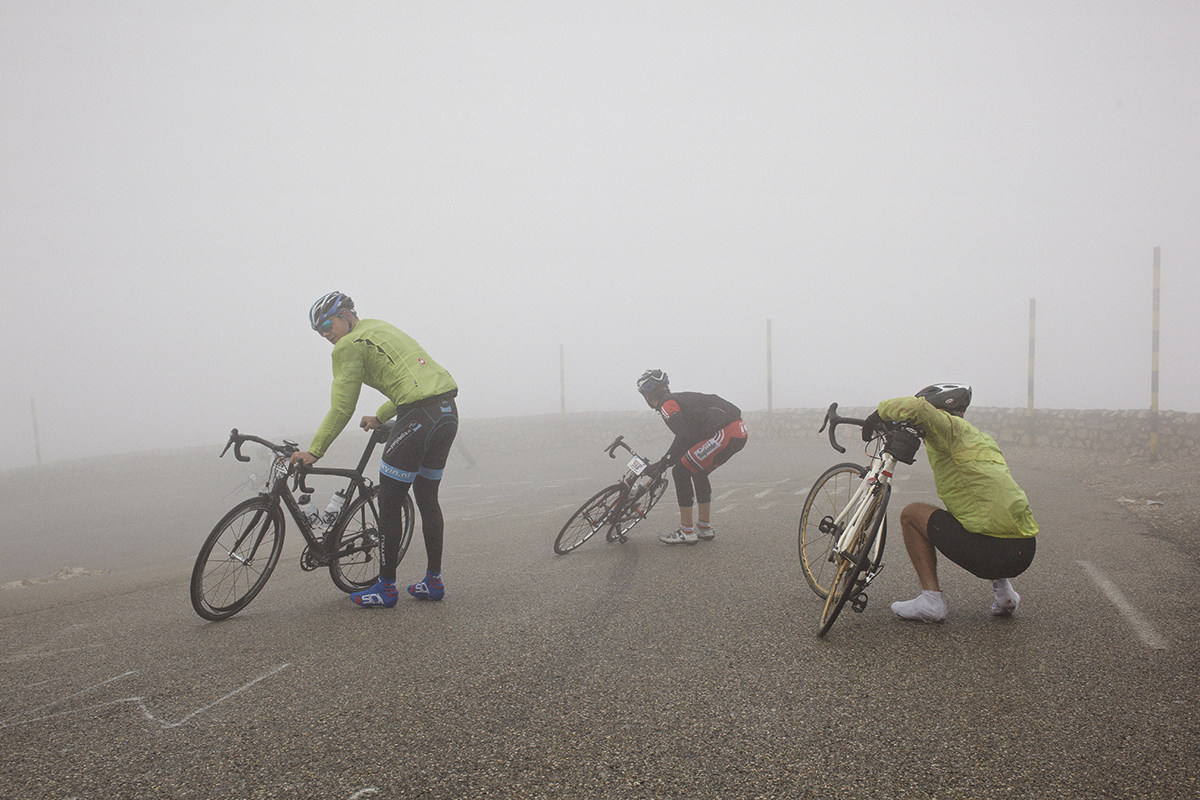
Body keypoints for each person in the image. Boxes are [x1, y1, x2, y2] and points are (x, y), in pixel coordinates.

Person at [290, 292, 459, 608]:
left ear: (347, 315)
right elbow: (409, 379)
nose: (325, 333)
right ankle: (433, 581)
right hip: (447, 411)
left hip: (419, 414)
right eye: (318, 331)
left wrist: (314, 451)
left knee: (390, 500)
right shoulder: (378, 327)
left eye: (327, 324)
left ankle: (386, 588)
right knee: (427, 498)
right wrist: (381, 417)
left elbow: (342, 406)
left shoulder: (348, 345)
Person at [862, 383, 1037, 623]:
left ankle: (931, 601)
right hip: (1024, 550)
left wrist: (877, 415)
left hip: (991, 554)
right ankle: (1005, 593)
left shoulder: (949, 427)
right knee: (980, 512)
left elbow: (916, 408)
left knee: (911, 515)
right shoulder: (979, 438)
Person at [636, 370, 748, 545]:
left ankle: (686, 531)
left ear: (648, 394)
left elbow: (684, 437)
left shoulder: (667, 404)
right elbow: (687, 437)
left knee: (680, 471)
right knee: (697, 471)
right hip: (737, 431)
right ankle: (704, 528)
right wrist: (665, 462)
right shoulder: (677, 400)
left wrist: (663, 463)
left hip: (725, 431)